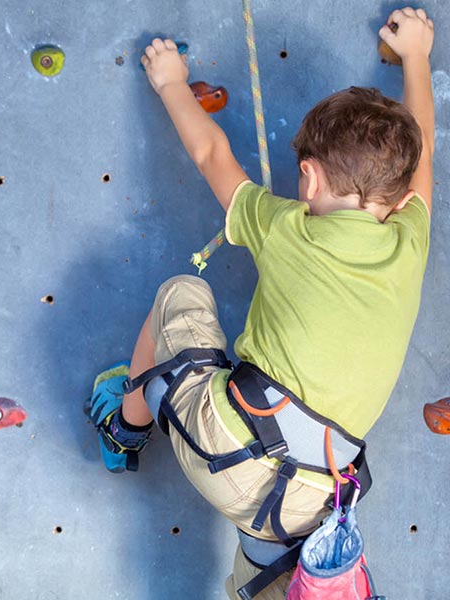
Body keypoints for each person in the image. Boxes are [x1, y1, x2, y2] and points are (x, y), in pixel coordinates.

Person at [87, 7, 434, 599]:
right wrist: (419, 56)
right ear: (400, 199)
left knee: (180, 294)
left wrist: (171, 80)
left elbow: (211, 157)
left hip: (229, 449)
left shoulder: (286, 226)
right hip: (305, 504)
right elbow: (422, 159)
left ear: (309, 179)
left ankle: (124, 427)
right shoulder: (411, 240)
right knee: (275, 569)